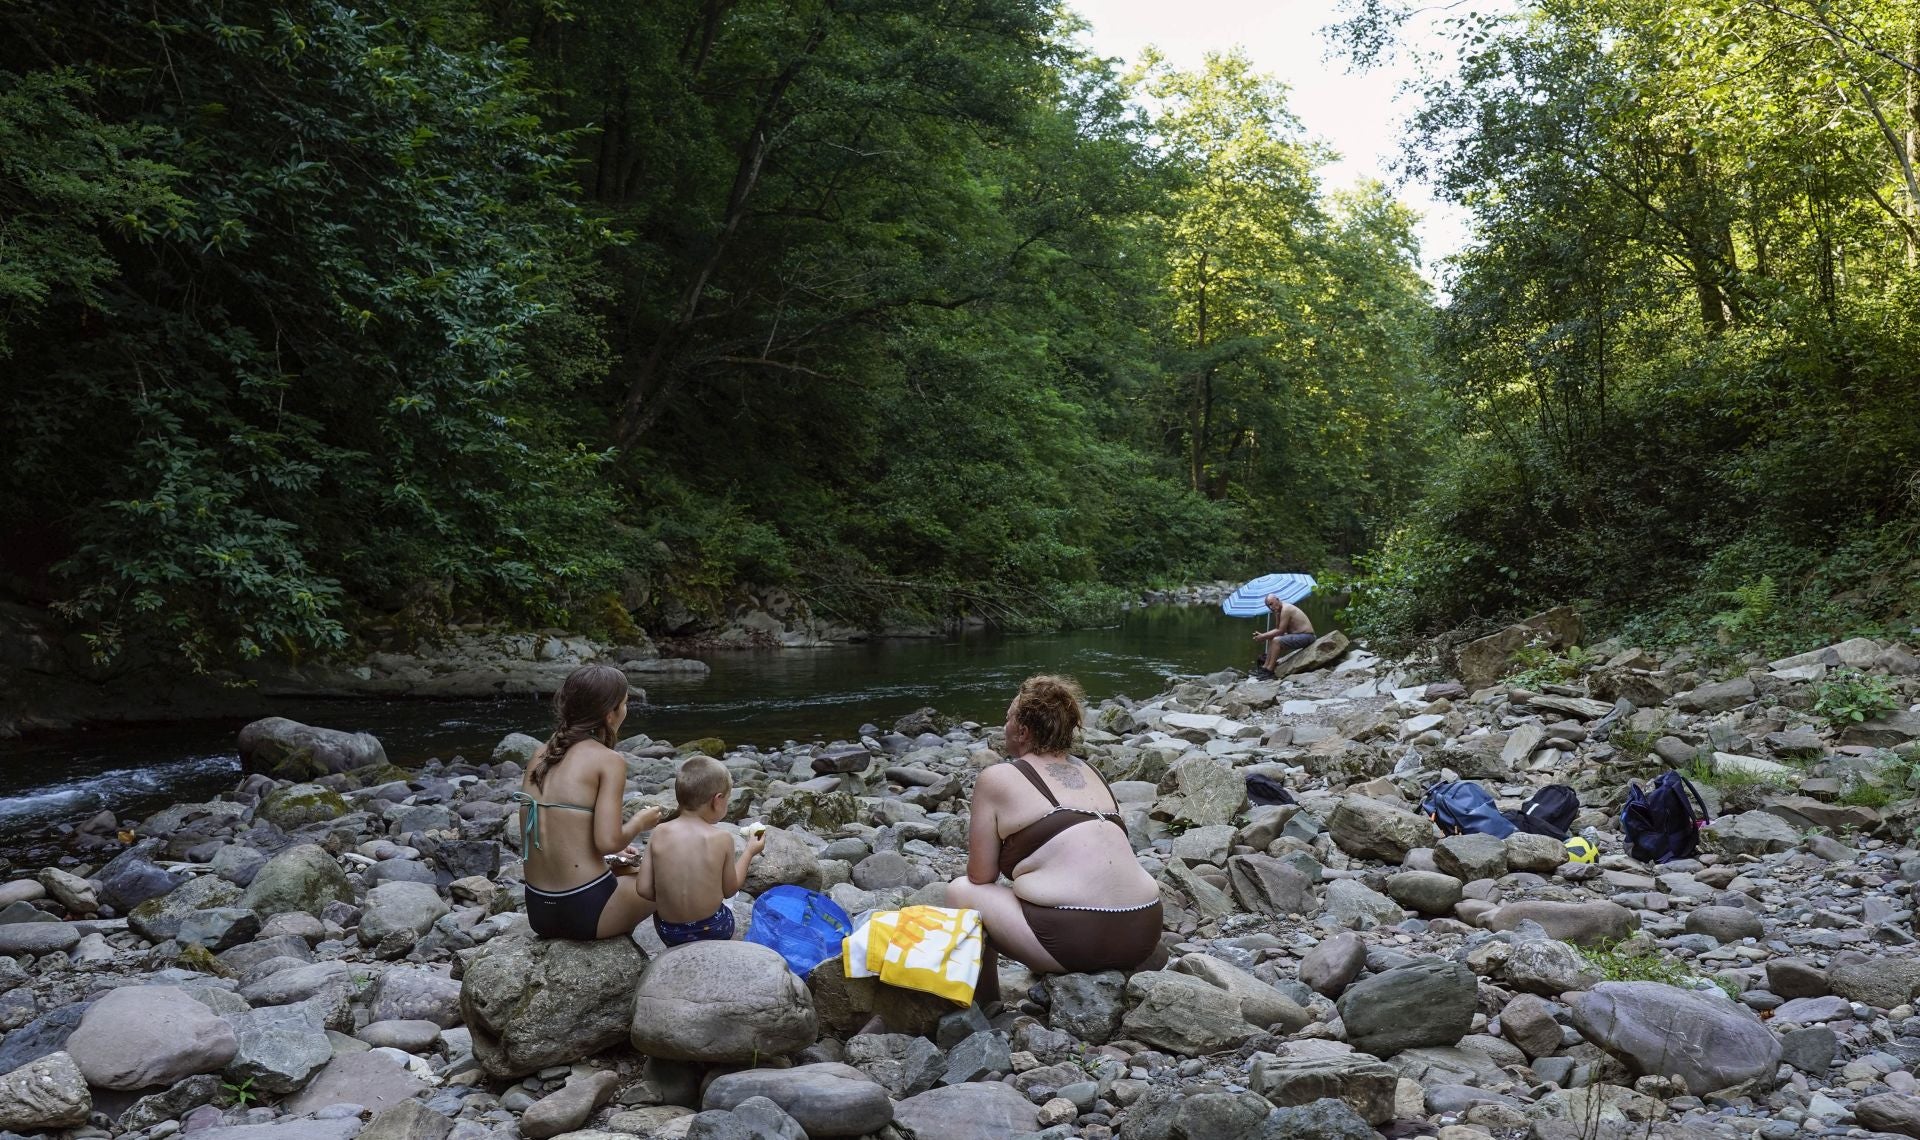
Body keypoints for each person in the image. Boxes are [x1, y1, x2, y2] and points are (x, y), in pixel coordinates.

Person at [946, 675, 1162, 996]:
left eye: (1007, 718)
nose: (1003, 725)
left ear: (1022, 731)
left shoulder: (997, 778)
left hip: (1075, 937)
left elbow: (981, 875)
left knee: (960, 891)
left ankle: (986, 1001)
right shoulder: (1093, 772)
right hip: (1144, 930)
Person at [515, 664, 662, 940]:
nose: (626, 710)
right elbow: (608, 841)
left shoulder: (539, 754)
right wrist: (639, 823)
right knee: (672, 876)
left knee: (627, 867)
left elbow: (563, 837)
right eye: (625, 704)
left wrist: (609, 860)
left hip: (539, 911)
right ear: (610, 715)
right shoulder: (608, 761)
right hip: (585, 910)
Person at [634, 754, 768, 947]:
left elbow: (644, 889)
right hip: (713, 929)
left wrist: (670, 894)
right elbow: (730, 890)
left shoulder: (659, 832)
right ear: (717, 800)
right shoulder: (721, 838)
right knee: (729, 904)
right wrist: (749, 851)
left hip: (669, 932)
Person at [1250, 593, 1316, 679]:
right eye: (1268, 606)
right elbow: (1278, 629)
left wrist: (1263, 636)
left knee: (1276, 641)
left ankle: (1270, 670)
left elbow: (1280, 631)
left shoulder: (1286, 609)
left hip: (1307, 636)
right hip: (1298, 635)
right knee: (1272, 638)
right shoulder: (1280, 611)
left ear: (1277, 599)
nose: (1270, 607)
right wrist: (1277, 615)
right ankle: (1264, 668)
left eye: (1271, 604)